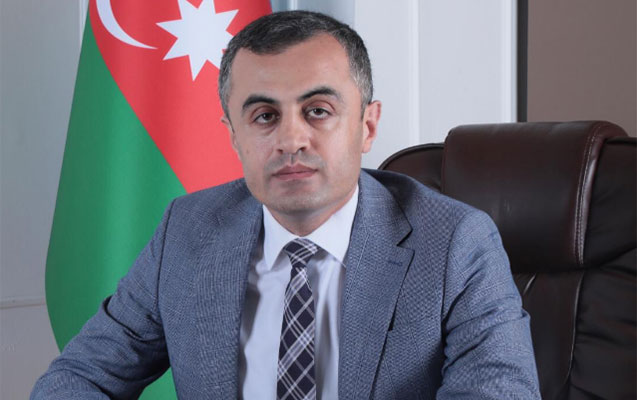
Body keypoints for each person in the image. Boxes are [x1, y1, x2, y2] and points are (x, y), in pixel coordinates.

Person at [32, 10, 540, 400]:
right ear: (234, 136)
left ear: (367, 126)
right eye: (264, 116)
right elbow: (79, 378)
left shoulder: (455, 244)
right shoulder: (187, 230)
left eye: (317, 111)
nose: (290, 139)